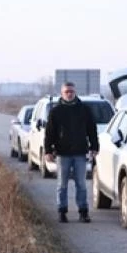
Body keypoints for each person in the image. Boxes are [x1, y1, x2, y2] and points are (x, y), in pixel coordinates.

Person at [44, 82, 99, 223]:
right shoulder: (56, 111)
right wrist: (48, 150)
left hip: (80, 152)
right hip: (63, 153)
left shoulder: (84, 109)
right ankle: (62, 211)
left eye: (72, 91)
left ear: (75, 92)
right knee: (62, 184)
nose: (69, 94)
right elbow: (49, 133)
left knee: (81, 183)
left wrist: (94, 147)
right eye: (67, 91)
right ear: (62, 93)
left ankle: (83, 211)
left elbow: (92, 130)